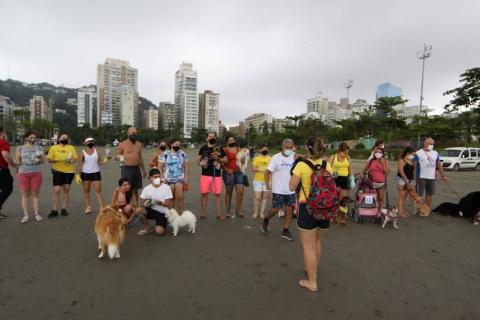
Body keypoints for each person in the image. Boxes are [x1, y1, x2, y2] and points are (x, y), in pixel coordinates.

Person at [289, 137, 334, 292]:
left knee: (308, 246)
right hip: (325, 208)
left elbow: (291, 186)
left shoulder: (301, 165)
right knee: (316, 242)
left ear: (307, 149)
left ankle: (312, 282)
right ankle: (312, 269)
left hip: (307, 207)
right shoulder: (327, 164)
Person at [260, 138, 296, 241]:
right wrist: (267, 185)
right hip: (278, 189)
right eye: (287, 147)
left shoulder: (293, 157)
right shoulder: (276, 158)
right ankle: (266, 220)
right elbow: (267, 172)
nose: (289, 149)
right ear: (282, 147)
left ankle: (285, 230)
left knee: (289, 209)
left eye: (291, 147)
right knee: (276, 209)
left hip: (290, 189)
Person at [15, 130, 45, 223]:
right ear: (26, 138)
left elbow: (43, 161)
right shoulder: (20, 148)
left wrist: (40, 157)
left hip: (36, 173)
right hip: (23, 173)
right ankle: (26, 215)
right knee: (25, 194)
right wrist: (15, 161)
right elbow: (18, 161)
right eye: (31, 137)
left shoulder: (39, 148)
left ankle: (36, 214)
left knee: (35, 193)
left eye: (34, 138)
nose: (33, 139)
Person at [197, 132, 227, 219]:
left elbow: (225, 159)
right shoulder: (203, 148)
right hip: (205, 175)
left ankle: (218, 214)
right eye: (210, 136)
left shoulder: (219, 148)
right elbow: (198, 160)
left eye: (213, 136)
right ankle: (202, 213)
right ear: (207, 138)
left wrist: (218, 158)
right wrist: (200, 163)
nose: (212, 138)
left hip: (216, 175)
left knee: (218, 194)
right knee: (204, 194)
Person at [135, 168, 173, 236]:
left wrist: (158, 202)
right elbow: (141, 204)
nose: (158, 178)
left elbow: (168, 204)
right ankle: (147, 227)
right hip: (151, 210)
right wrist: (147, 203)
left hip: (163, 212)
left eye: (159, 176)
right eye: (155, 177)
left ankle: (161, 225)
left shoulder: (166, 187)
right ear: (150, 178)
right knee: (138, 210)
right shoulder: (146, 189)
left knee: (159, 232)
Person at [47, 133, 77, 218]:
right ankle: (54, 210)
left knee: (66, 189)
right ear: (59, 139)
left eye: (66, 138)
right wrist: (54, 160)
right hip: (57, 171)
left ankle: (64, 209)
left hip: (69, 171)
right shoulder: (54, 148)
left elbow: (75, 158)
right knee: (57, 190)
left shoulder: (71, 147)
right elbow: (49, 159)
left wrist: (71, 161)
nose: (65, 139)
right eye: (63, 138)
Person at [115, 127, 147, 202]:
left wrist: (144, 170)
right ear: (128, 134)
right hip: (127, 169)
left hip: (136, 169)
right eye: (133, 133)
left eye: (136, 133)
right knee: (126, 189)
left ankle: (134, 208)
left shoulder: (139, 144)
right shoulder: (122, 144)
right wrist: (120, 157)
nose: (134, 134)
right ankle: (125, 207)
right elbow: (116, 156)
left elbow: (140, 158)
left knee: (135, 190)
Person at [413, 138, 445, 212]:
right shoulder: (418, 153)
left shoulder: (435, 153)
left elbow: (439, 164)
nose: (431, 145)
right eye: (430, 144)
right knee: (419, 195)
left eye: (432, 144)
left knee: (430, 194)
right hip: (421, 177)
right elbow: (413, 166)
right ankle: (418, 209)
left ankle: (427, 208)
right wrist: (414, 178)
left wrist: (442, 175)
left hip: (432, 177)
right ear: (425, 144)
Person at [75, 137, 107, 214]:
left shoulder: (97, 151)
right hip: (85, 173)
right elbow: (79, 165)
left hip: (96, 172)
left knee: (98, 190)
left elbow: (99, 162)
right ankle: (88, 207)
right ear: (85, 143)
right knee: (86, 190)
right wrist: (77, 175)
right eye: (89, 142)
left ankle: (102, 207)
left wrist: (105, 161)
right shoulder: (82, 153)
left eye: (91, 141)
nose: (90, 143)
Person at [158, 139, 189, 214]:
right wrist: (162, 178)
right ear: (171, 145)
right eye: (176, 144)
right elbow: (160, 167)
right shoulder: (165, 154)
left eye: (179, 144)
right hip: (168, 180)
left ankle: (182, 215)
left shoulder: (182, 154)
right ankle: (172, 216)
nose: (177, 146)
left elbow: (186, 167)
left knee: (180, 197)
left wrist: (186, 178)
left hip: (179, 179)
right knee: (171, 199)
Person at [222, 136, 245, 218]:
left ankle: (238, 210)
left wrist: (243, 164)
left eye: (233, 140)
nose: (232, 141)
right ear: (227, 142)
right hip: (228, 173)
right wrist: (226, 169)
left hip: (239, 173)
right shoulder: (224, 150)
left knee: (240, 191)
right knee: (229, 192)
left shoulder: (239, 149)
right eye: (230, 140)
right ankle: (228, 211)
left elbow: (243, 160)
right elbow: (221, 162)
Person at [361, 147, 389, 211]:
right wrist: (362, 177)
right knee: (372, 199)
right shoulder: (371, 161)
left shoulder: (385, 161)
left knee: (380, 199)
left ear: (382, 154)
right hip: (371, 183)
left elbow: (387, 172)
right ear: (374, 153)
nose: (378, 153)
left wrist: (383, 163)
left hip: (381, 184)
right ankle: (373, 212)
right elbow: (363, 170)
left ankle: (380, 214)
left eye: (380, 152)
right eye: (376, 152)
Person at [251, 145, 272, 219]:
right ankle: (256, 212)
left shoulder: (271, 159)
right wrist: (262, 169)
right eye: (263, 149)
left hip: (267, 181)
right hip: (258, 180)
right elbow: (253, 169)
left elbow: (272, 170)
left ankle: (261, 213)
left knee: (265, 197)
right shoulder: (256, 158)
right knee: (257, 197)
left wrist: (263, 169)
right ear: (260, 150)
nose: (265, 150)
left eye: (266, 149)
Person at [0, 127, 16, 219]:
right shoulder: (3, 143)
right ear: (2, 132)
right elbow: (5, 155)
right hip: (2, 169)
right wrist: (14, 165)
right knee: (7, 188)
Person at [396, 147, 416, 218]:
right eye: (412, 154)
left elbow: (413, 171)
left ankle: (402, 210)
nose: (413, 156)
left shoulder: (412, 161)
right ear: (408, 153)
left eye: (414, 155)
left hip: (410, 180)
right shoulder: (402, 160)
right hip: (401, 179)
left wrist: (414, 181)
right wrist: (406, 181)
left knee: (405, 196)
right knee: (401, 196)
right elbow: (401, 172)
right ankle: (400, 212)